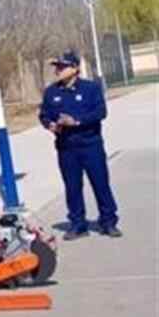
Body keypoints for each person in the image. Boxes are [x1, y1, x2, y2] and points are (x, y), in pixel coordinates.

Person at [39, 50, 121, 239]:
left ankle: (108, 222)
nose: (58, 70)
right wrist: (50, 125)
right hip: (66, 148)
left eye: (62, 66)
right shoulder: (51, 92)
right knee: (72, 187)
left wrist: (76, 121)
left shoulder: (91, 88)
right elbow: (44, 115)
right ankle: (78, 224)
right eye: (57, 67)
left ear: (75, 68)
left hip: (90, 145)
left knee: (100, 184)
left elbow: (100, 112)